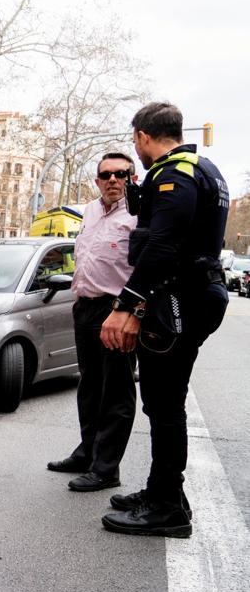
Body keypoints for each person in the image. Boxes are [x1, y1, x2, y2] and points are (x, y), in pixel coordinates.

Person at [100, 102, 229, 538]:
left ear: (141, 136)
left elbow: (162, 246)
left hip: (181, 296)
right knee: (162, 399)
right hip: (196, 292)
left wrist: (126, 306)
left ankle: (167, 506)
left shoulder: (173, 173)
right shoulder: (204, 167)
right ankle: (162, 490)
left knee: (164, 401)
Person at [47, 153, 139, 492]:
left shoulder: (140, 214)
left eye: (121, 174)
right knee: (89, 386)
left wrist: (132, 312)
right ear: (97, 180)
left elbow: (145, 267)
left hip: (117, 310)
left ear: (132, 178)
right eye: (106, 175)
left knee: (115, 391)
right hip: (84, 308)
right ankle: (87, 453)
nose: (113, 180)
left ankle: (106, 468)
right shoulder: (89, 209)